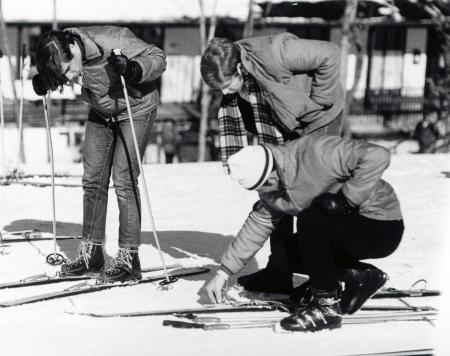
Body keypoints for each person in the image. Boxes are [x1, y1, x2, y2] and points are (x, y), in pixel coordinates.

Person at [204, 135, 404, 332]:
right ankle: (360, 276)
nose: (266, 191)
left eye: (265, 184)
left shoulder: (316, 153)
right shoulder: (270, 188)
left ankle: (325, 307)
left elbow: (377, 155)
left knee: (310, 220)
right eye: (258, 188)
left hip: (380, 225)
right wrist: (223, 273)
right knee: (285, 255)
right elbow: (259, 223)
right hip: (342, 232)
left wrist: (347, 199)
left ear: (272, 168)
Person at [200, 33, 345, 294]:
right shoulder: (242, 86)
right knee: (276, 190)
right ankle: (279, 272)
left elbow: (330, 53)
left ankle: (326, 278)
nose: (224, 93)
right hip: (282, 123)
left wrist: (319, 102)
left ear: (239, 69)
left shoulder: (276, 53)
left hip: (319, 120)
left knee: (310, 196)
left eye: (226, 84)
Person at [32, 26, 166, 282]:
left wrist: (133, 68)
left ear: (73, 49)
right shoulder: (62, 53)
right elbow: (60, 72)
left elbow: (158, 58)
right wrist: (45, 81)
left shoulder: (111, 40)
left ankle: (128, 258)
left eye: (69, 70)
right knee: (92, 180)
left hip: (134, 108)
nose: (71, 78)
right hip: (102, 111)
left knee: (124, 180)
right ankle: (91, 254)